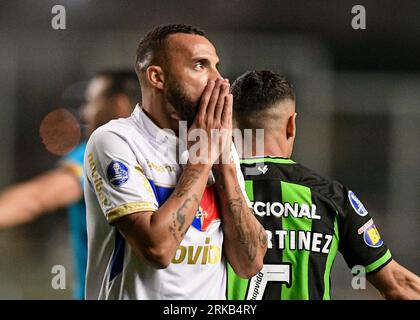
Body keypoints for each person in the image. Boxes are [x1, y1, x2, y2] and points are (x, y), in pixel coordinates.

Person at [84, 24, 267, 300]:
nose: (219, 80)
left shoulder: (221, 146)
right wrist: (202, 157)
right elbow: (158, 250)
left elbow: (249, 263)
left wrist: (225, 165)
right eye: (200, 65)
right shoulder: (115, 140)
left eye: (216, 66)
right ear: (157, 77)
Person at [228, 70, 420, 300]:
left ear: (229, 124)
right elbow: (398, 284)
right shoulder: (331, 197)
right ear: (292, 124)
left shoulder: (207, 192)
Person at [0, 70, 139, 299]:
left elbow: (36, 199)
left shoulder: (100, 152)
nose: (84, 113)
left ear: (118, 104)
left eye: (91, 102)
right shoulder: (167, 154)